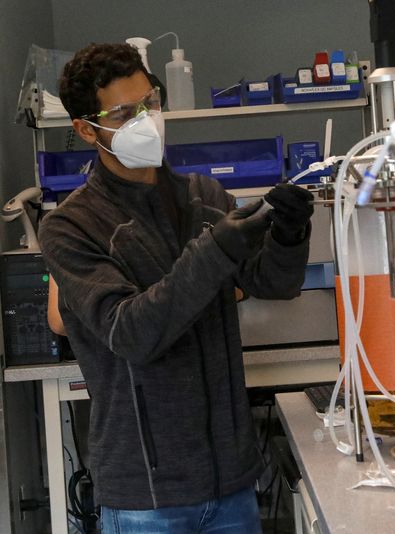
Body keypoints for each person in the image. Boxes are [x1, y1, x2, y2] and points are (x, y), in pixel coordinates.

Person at [39, 42, 314, 533]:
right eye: (125, 112)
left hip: (231, 482)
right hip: (147, 494)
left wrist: (290, 236)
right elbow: (132, 334)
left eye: (151, 103)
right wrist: (215, 250)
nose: (146, 120)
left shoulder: (203, 197)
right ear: (85, 129)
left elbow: (274, 282)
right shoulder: (70, 226)